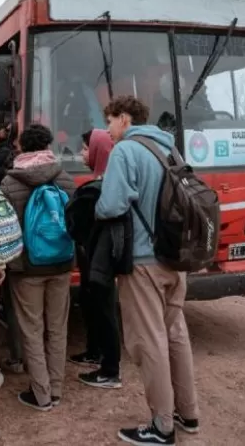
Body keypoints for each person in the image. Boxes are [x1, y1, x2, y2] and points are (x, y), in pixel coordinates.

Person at [96, 95, 199, 446]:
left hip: (143, 261)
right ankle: (188, 413)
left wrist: (95, 208)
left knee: (149, 340)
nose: (107, 129)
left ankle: (161, 426)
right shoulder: (172, 149)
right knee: (175, 335)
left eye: (109, 121)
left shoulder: (126, 151)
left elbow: (111, 205)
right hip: (177, 259)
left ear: (124, 118)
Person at [0, 124, 76, 411]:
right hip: (60, 263)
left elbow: (4, 228)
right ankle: (56, 388)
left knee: (32, 329)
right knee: (58, 328)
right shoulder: (65, 178)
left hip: (26, 268)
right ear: (48, 144)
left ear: (21, 146)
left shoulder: (10, 182)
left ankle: (40, 393)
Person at [70, 129, 123, 391]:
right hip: (92, 255)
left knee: (105, 308)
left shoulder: (108, 184)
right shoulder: (101, 179)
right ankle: (93, 351)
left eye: (84, 148)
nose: (81, 153)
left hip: (102, 257)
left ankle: (110, 369)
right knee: (92, 302)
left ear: (97, 150)